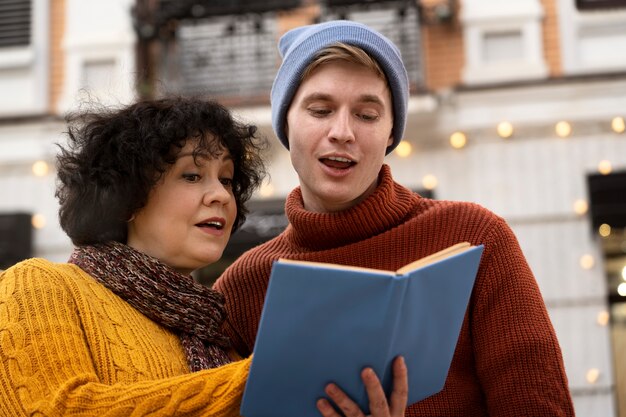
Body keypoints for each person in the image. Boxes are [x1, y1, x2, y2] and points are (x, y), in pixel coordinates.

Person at [214, 20, 576, 416]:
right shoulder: (241, 286)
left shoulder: (476, 238)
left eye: (367, 115)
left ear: (391, 133)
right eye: (320, 110)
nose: (342, 131)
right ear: (286, 122)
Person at [0, 96, 407, 416]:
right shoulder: (37, 285)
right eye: (191, 175)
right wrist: (271, 376)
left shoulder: (220, 338)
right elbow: (57, 409)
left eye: (227, 179)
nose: (220, 196)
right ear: (125, 197)